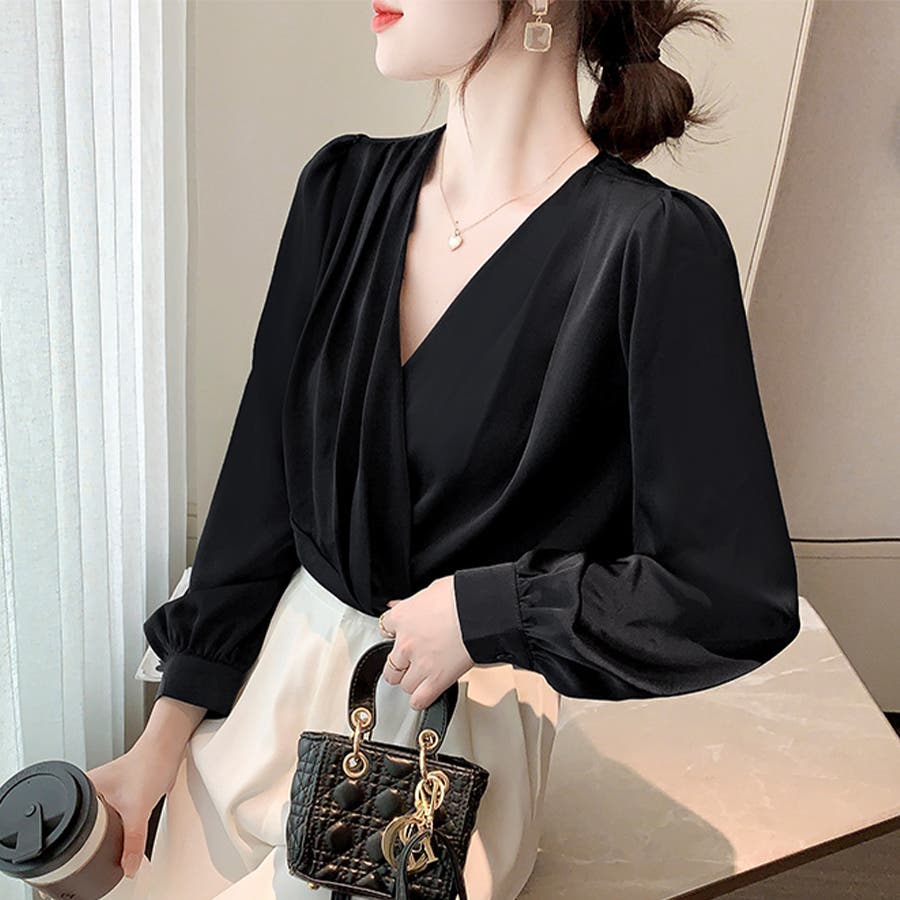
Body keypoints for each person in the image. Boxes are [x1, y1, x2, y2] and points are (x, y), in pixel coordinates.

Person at [86, 2, 801, 898]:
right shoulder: (342, 191)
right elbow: (259, 490)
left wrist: (489, 609)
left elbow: (730, 592)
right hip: (271, 698)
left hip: (441, 755)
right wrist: (163, 738)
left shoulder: (651, 246)